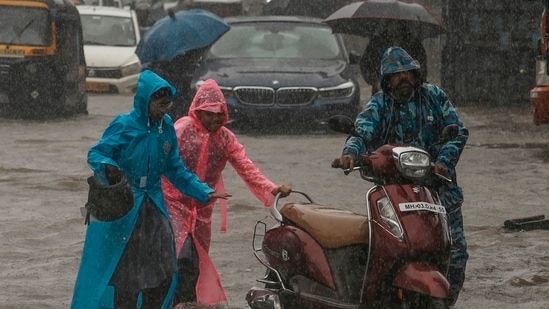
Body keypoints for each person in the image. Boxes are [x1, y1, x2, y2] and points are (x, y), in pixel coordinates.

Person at [71, 70, 231, 309]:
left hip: (155, 206)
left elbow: (175, 169)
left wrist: (203, 191)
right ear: (145, 100)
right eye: (159, 104)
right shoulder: (124, 125)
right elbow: (97, 153)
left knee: (164, 271)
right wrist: (110, 168)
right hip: (125, 207)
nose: (165, 109)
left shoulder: (165, 126)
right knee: (125, 275)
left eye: (168, 104)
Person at [332, 47, 468, 307]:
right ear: (386, 80)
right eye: (396, 75)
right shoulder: (379, 104)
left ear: (416, 74)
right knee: (388, 252)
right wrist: (350, 154)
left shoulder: (434, 96)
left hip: (440, 191)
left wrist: (442, 163)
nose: (403, 78)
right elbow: (361, 134)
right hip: (396, 195)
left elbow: (458, 131)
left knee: (456, 255)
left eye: (408, 72)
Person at [161, 79, 292, 307]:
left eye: (218, 114)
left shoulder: (225, 138)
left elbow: (246, 166)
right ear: (197, 112)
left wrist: (271, 188)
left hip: (203, 208)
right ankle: (173, 302)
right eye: (208, 114)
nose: (214, 119)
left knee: (197, 260)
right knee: (180, 257)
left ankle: (186, 303)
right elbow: (162, 161)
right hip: (173, 202)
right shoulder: (181, 130)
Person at [360, 21, 427, 95]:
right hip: (382, 92)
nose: (394, 27)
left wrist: (413, 82)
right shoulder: (377, 43)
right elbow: (365, 65)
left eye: (398, 24)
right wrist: (376, 81)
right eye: (392, 23)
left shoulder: (414, 43)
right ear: (387, 25)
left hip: (408, 94)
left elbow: (422, 67)